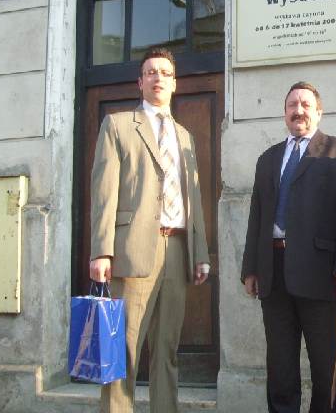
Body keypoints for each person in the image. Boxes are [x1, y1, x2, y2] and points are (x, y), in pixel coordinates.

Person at [89, 46, 210, 413]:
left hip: (177, 250)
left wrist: (200, 253)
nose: (159, 78)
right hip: (132, 250)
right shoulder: (118, 125)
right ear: (140, 82)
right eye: (151, 72)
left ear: (175, 84)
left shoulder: (185, 136)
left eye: (166, 73)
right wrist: (101, 251)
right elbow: (104, 192)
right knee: (123, 349)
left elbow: (193, 198)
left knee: (167, 350)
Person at [241, 81, 336, 413]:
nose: (299, 111)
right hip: (273, 271)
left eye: (306, 105)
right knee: (280, 364)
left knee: (325, 364)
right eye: (292, 105)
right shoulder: (268, 159)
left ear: (319, 112)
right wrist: (251, 268)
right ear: (284, 113)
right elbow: (257, 216)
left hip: (320, 274)